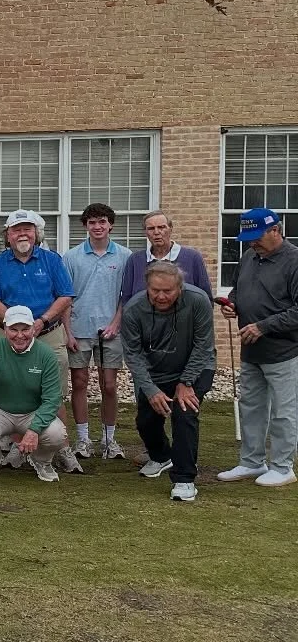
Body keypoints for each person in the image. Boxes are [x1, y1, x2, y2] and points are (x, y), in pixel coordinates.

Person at [0, 209, 81, 473]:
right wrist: (17, 328)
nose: (22, 234)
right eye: (16, 230)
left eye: (27, 229)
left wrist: (40, 322)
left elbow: (65, 296)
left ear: (37, 234)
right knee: (5, 388)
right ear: (8, 236)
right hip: (7, 334)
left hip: (47, 332)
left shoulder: (51, 260)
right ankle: (17, 447)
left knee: (55, 393)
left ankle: (61, 448)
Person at [122, 261, 215, 501]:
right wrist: (151, 389)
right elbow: (132, 354)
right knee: (146, 420)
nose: (161, 296)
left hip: (196, 366)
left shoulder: (198, 301)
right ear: (147, 287)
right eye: (155, 291)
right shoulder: (133, 309)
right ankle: (162, 456)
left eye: (168, 291)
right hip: (156, 371)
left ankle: (184, 479)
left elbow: (203, 345)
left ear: (180, 288)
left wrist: (186, 382)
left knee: (184, 413)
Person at [219, 207, 298, 489]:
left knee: (283, 411)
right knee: (250, 405)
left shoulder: (294, 260)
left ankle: (282, 466)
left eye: (257, 236)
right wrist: (233, 306)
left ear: (275, 230)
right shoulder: (249, 257)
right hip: (250, 349)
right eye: (248, 237)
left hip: (284, 350)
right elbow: (238, 291)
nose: (252, 243)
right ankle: (252, 461)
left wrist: (263, 326)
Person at [62, 202, 132, 462]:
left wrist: (116, 323)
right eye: (92, 222)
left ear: (110, 224)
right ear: (85, 226)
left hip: (111, 332)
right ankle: (82, 439)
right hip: (79, 330)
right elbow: (65, 297)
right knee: (79, 383)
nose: (98, 227)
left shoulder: (125, 256)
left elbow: (127, 296)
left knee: (110, 385)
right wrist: (67, 332)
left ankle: (108, 439)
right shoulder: (71, 257)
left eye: (102, 221)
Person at [0, 305, 68, 482]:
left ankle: (42, 461)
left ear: (33, 328)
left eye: (25, 329)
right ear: (5, 329)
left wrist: (34, 430)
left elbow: (52, 399)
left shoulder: (46, 355)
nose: (20, 335)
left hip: (32, 411)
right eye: (14, 329)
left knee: (57, 434)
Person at [118, 210, 213, 305]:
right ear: (145, 232)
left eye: (161, 227)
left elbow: (206, 299)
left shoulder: (193, 257)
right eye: (151, 228)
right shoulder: (135, 260)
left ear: (170, 229)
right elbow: (127, 301)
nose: (156, 232)